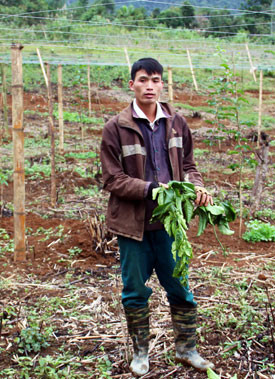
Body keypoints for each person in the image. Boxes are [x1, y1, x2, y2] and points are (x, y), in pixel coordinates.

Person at [100, 58, 214, 376]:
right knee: (135, 290)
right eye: (143, 80)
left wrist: (196, 189)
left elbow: (189, 167)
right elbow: (112, 180)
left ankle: (187, 349)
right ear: (132, 84)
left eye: (155, 80)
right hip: (132, 226)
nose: (150, 85)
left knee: (179, 287)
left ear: (162, 84)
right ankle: (140, 353)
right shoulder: (115, 128)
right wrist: (152, 189)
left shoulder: (177, 123)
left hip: (169, 224)